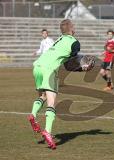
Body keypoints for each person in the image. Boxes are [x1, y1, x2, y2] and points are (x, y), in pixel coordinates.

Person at [27, 19, 81, 149]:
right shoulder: (75, 43)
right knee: (51, 103)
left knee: (43, 96)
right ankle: (48, 132)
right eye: (74, 26)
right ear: (71, 29)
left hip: (37, 66)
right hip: (49, 70)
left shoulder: (59, 39)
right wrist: (81, 68)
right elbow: (70, 64)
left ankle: (33, 115)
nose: (75, 28)